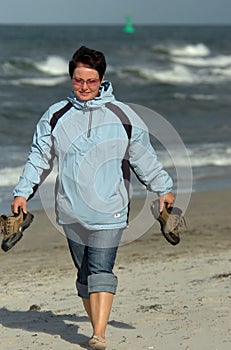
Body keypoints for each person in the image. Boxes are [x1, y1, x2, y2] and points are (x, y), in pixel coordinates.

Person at [11, 46, 175, 349]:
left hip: (110, 208)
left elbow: (144, 158)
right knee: (85, 274)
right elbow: (39, 158)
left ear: (102, 79)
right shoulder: (56, 115)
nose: (84, 87)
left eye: (91, 81)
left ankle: (99, 334)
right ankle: (96, 324)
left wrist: (163, 188)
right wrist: (22, 193)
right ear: (71, 78)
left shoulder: (124, 115)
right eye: (78, 80)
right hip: (71, 210)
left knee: (101, 269)